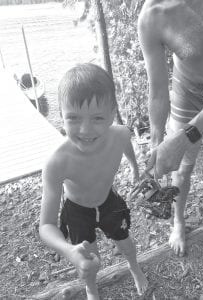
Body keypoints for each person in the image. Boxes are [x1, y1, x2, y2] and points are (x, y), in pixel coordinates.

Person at [39, 63, 148, 300]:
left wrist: (134, 166)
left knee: (125, 242)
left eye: (98, 117)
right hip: (78, 211)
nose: (86, 130)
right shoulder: (57, 162)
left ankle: (134, 267)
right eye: (73, 118)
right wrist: (69, 251)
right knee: (88, 260)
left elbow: (127, 145)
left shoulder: (121, 134)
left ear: (112, 112)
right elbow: (46, 226)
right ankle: (92, 289)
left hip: (109, 201)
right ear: (61, 117)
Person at [138, 0, 203, 257]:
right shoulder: (152, 16)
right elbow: (157, 92)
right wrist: (157, 144)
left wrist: (186, 136)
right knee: (182, 167)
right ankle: (178, 222)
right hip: (186, 89)